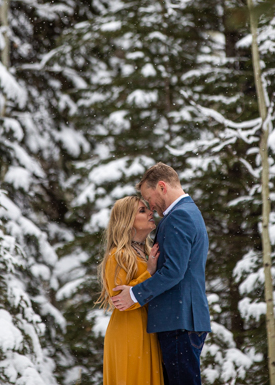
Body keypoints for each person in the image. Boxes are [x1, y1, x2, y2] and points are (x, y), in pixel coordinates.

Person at [111, 163, 211, 385]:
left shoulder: (179, 216)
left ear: (162, 187)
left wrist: (135, 294)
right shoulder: (189, 212)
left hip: (178, 320)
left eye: (150, 197)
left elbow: (174, 271)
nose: (151, 206)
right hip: (184, 319)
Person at [98, 195, 164, 385]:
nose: (150, 212)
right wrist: (149, 271)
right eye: (142, 211)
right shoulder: (117, 256)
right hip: (129, 331)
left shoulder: (147, 252)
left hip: (148, 328)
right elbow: (120, 301)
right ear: (127, 221)